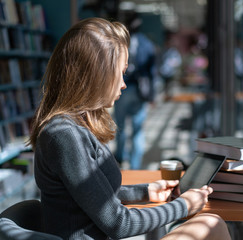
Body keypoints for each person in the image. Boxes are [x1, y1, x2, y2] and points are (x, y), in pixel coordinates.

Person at [28, 17, 231, 240]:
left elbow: (92, 196)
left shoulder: (69, 129)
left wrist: (145, 192)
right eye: (121, 72)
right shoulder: (64, 135)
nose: (124, 83)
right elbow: (119, 224)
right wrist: (184, 205)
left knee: (210, 224)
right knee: (212, 224)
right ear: (97, 73)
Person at [113, 13, 156, 170]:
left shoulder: (121, 43)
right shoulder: (147, 45)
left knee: (120, 126)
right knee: (138, 130)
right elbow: (152, 72)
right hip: (140, 91)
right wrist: (152, 95)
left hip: (122, 88)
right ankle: (135, 165)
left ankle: (119, 157)